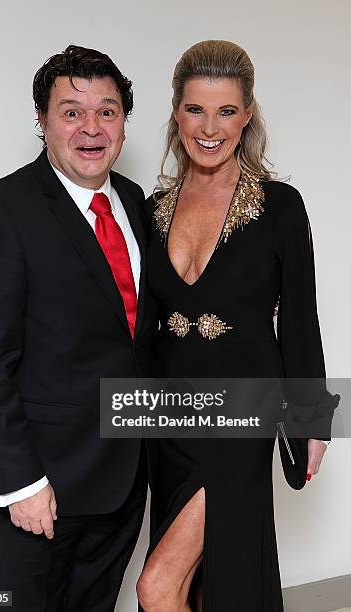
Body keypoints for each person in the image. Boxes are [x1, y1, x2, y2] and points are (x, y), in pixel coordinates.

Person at [0, 45, 157, 611]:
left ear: (124, 123)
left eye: (107, 111)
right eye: (71, 112)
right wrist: (20, 484)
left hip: (124, 477)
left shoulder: (136, 204)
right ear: (42, 121)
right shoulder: (0, 209)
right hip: (43, 486)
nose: (91, 128)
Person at [136, 40, 336, 611]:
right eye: (196, 109)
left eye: (226, 110)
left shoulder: (280, 206)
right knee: (203, 588)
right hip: (168, 419)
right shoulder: (153, 209)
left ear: (247, 115)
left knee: (157, 586)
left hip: (242, 415)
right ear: (176, 111)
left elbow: (301, 318)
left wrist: (311, 418)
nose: (209, 127)